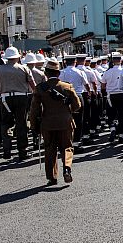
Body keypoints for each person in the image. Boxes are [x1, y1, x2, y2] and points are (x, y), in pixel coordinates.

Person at [29, 58, 81, 186]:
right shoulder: (67, 86)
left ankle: (52, 177)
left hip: (48, 123)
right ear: (58, 73)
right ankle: (67, 168)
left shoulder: (40, 88)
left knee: (50, 149)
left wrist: (34, 126)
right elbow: (77, 106)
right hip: (65, 122)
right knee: (67, 147)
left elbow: (34, 109)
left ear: (46, 73)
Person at [0, 46, 36, 161]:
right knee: (22, 123)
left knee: (6, 123)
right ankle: (22, 151)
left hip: (5, 98)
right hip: (22, 98)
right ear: (17, 57)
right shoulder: (24, 68)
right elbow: (33, 85)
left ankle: (7, 149)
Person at [59, 55, 89, 148]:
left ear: (65, 62)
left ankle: (67, 140)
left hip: (65, 98)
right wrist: (89, 93)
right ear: (75, 62)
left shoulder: (62, 73)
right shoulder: (80, 72)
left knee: (66, 120)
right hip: (78, 96)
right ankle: (76, 141)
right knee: (79, 120)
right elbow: (86, 85)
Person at [102, 53, 123, 141]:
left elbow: (103, 85)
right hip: (122, 94)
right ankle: (121, 134)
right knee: (121, 114)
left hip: (111, 95)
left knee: (111, 114)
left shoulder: (107, 72)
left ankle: (112, 128)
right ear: (121, 61)